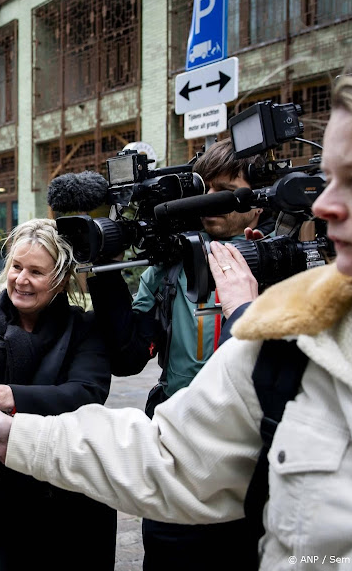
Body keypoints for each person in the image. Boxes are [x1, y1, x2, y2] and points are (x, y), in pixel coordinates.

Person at [0, 60, 352, 569]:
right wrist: (14, 433)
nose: (324, 205)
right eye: (328, 179)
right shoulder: (209, 294)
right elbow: (163, 442)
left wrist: (246, 314)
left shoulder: (287, 307)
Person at [87, 138, 269, 570]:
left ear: (258, 204)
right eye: (205, 188)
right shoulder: (169, 266)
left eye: (226, 191)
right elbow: (129, 356)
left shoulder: (280, 259)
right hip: (178, 449)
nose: (210, 200)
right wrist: (105, 267)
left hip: (253, 455)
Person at [0, 218, 117, 571]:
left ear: (60, 280)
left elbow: (85, 393)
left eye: (36, 272)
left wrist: (5, 395)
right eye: (16, 267)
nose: (21, 279)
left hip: (68, 502)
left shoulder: (84, 328)